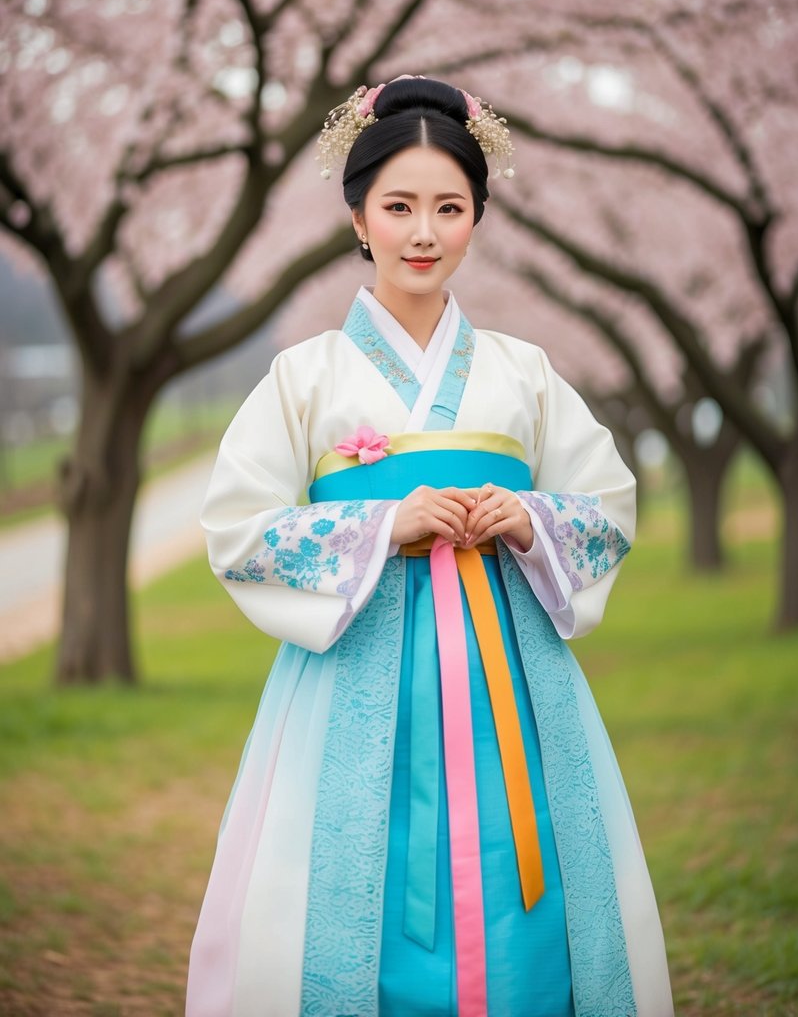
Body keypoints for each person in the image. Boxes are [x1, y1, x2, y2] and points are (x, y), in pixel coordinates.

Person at [186, 76, 674, 1017]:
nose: (422, 232)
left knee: (528, 882)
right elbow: (239, 531)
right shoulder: (304, 376)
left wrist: (529, 521)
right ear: (357, 217)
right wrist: (378, 526)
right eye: (398, 206)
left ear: (476, 219)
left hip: (513, 691)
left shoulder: (520, 371)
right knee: (345, 895)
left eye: (448, 208)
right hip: (351, 683)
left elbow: (606, 502)